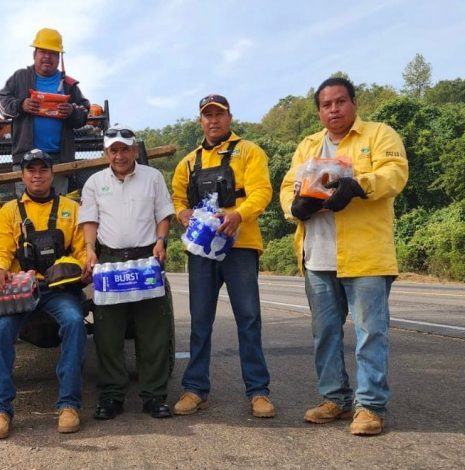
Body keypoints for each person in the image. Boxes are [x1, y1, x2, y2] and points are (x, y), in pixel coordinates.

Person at [279, 77, 408, 436]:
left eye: (340, 102)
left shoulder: (379, 135)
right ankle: (334, 398)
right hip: (317, 255)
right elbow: (289, 186)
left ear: (354, 103)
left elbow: (395, 174)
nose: (333, 109)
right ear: (319, 111)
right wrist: (295, 207)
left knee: (371, 332)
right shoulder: (308, 146)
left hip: (366, 254)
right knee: (325, 333)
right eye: (326, 105)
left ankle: (369, 406)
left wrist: (357, 186)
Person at [171, 94, 276, 419]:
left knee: (249, 319)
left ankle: (258, 392)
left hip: (240, 246)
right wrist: (183, 213)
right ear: (200, 121)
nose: (213, 121)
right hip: (203, 250)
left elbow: (261, 191)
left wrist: (239, 215)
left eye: (219, 114)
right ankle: (195, 389)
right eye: (207, 116)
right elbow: (177, 198)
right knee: (200, 321)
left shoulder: (249, 152)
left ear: (229, 118)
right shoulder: (188, 162)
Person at [0, 149, 87, 440]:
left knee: (74, 322)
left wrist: (74, 267)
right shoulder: (9, 212)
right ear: (22, 176)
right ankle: (0, 409)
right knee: (3, 330)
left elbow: (81, 248)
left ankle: (69, 404)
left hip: (58, 290)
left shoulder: (71, 208)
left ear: (52, 174)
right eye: (31, 170)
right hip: (20, 290)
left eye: (43, 169)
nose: (37, 175)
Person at [79, 125, 176, 420]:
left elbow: (163, 214)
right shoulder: (94, 182)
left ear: (135, 150)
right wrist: (89, 248)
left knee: (153, 332)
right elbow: (90, 219)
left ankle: (154, 396)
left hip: (146, 260)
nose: (119, 155)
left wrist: (161, 241)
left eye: (125, 149)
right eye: (113, 150)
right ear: (106, 153)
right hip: (109, 263)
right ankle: (111, 396)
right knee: (108, 334)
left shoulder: (153, 177)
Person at [0, 27, 90, 196]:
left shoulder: (69, 84)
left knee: (58, 209)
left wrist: (71, 112)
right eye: (43, 51)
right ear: (35, 54)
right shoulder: (20, 77)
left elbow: (84, 111)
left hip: (59, 161)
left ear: (59, 57)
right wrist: (21, 105)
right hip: (25, 160)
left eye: (53, 53)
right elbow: (3, 100)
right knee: (26, 211)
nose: (47, 57)